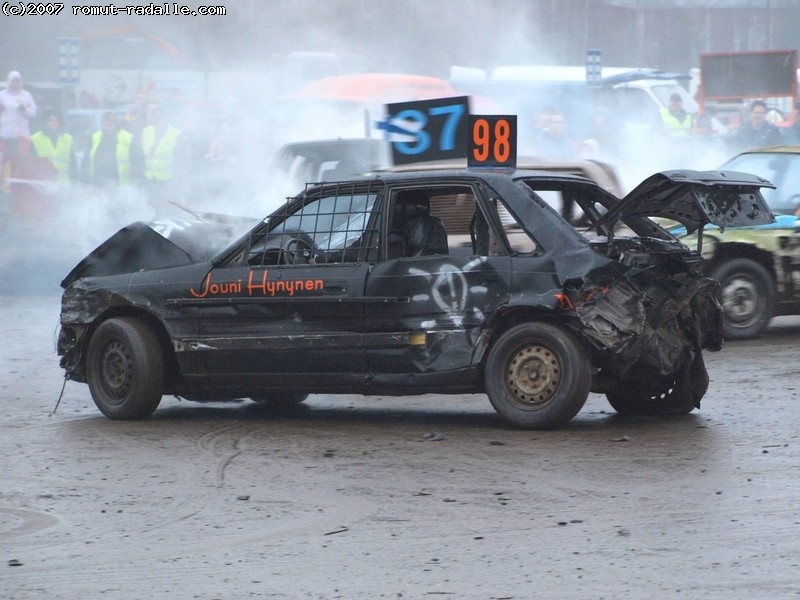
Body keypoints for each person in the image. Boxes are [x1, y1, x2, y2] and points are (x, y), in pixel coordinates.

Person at [139, 102, 186, 200]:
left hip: (167, 180)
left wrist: (177, 182)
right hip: (149, 179)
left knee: (165, 205)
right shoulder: (146, 131)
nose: (158, 121)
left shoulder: (176, 134)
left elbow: (180, 161)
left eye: (161, 118)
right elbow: (141, 154)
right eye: (156, 118)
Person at [82, 111, 138, 188]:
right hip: (98, 184)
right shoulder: (94, 138)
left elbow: (137, 162)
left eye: (110, 125)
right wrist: (85, 182)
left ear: (116, 125)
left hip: (121, 185)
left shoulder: (128, 138)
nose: (107, 128)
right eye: (105, 125)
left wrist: (135, 183)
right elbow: (86, 161)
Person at [30, 109, 78, 184]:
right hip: (44, 183)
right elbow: (31, 162)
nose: (54, 123)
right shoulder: (35, 138)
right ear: (45, 122)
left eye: (56, 120)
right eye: (51, 120)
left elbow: (73, 163)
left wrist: (75, 181)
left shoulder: (68, 138)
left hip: (63, 183)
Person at [0, 71, 37, 158]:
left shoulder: (26, 95)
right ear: (9, 82)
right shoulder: (2, 95)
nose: (17, 84)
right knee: (6, 158)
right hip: (6, 134)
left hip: (22, 134)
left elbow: (33, 113)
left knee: (21, 159)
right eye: (14, 81)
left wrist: (24, 110)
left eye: (19, 81)